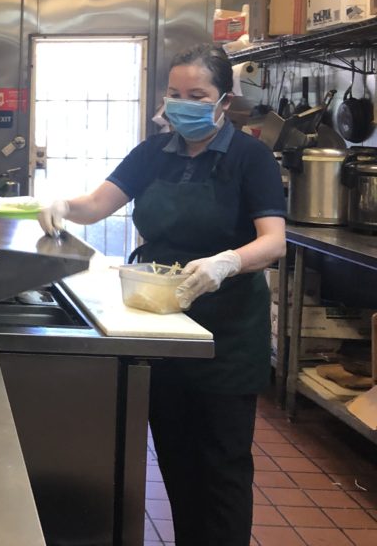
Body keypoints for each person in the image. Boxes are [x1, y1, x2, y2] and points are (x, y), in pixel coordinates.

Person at [38, 43, 286, 546]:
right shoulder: (155, 152)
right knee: (175, 458)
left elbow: (274, 240)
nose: (183, 103)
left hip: (227, 335)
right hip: (161, 324)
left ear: (223, 100)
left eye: (198, 94)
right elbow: (98, 203)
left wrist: (228, 261)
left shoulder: (249, 157)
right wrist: (62, 204)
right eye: (175, 93)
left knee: (221, 468)